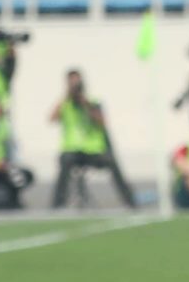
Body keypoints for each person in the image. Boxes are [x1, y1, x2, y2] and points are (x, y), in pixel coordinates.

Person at [50, 69, 136, 209]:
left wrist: (86, 104)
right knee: (65, 161)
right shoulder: (65, 104)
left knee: (112, 161)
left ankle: (129, 201)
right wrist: (65, 97)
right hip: (72, 150)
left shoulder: (93, 102)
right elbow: (52, 119)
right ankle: (57, 204)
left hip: (93, 150)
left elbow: (102, 122)